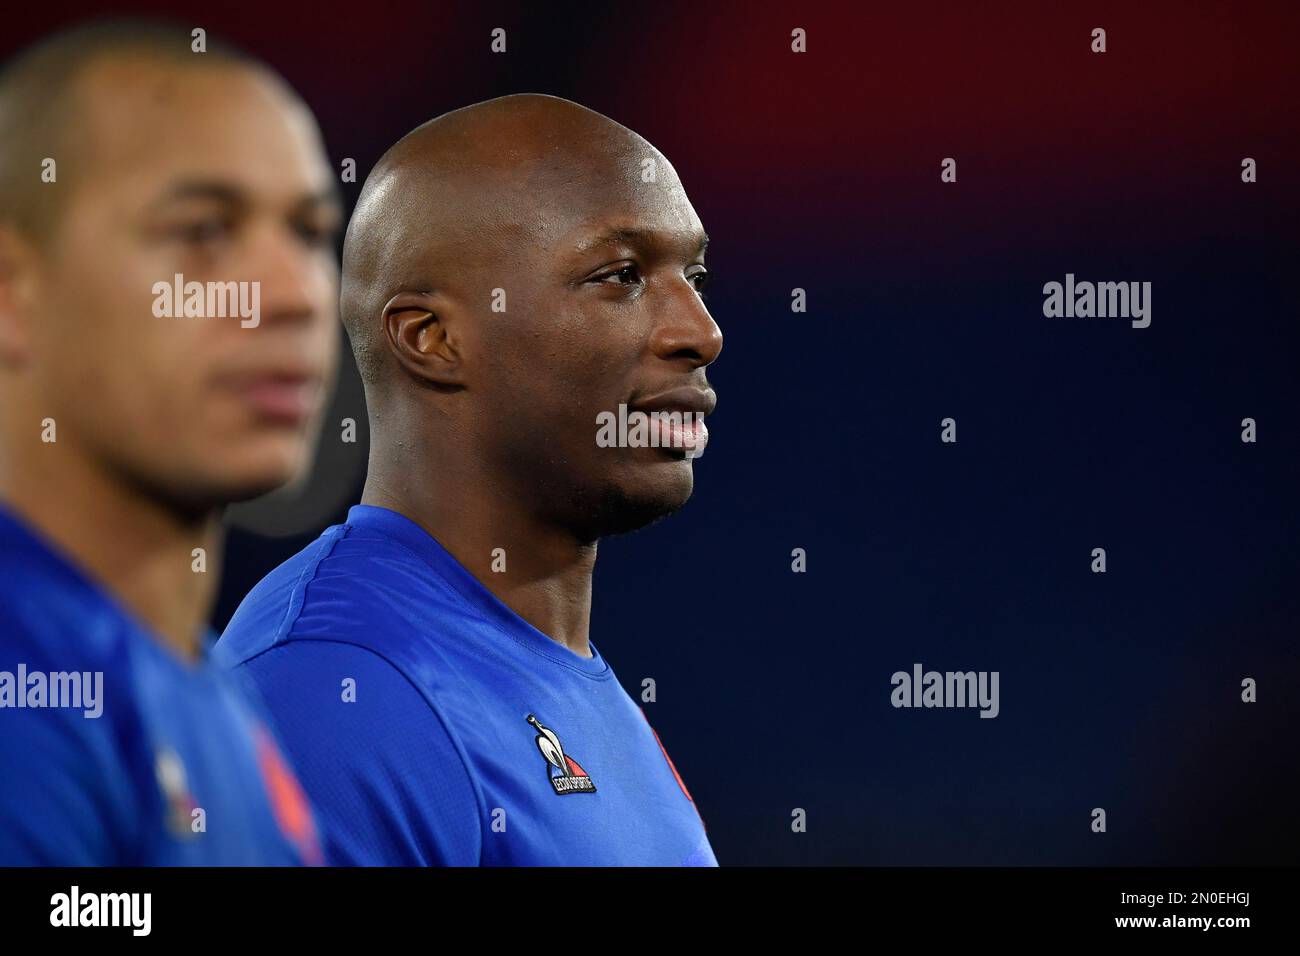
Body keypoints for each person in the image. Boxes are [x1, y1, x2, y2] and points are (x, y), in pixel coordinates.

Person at [218, 94, 723, 865]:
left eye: (693, 274)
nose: (700, 332)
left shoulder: (562, 676)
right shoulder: (334, 688)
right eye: (621, 275)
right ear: (433, 339)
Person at [0, 20, 341, 864]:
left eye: (308, 232)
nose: (295, 294)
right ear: (11, 293)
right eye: (201, 232)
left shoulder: (206, 689)